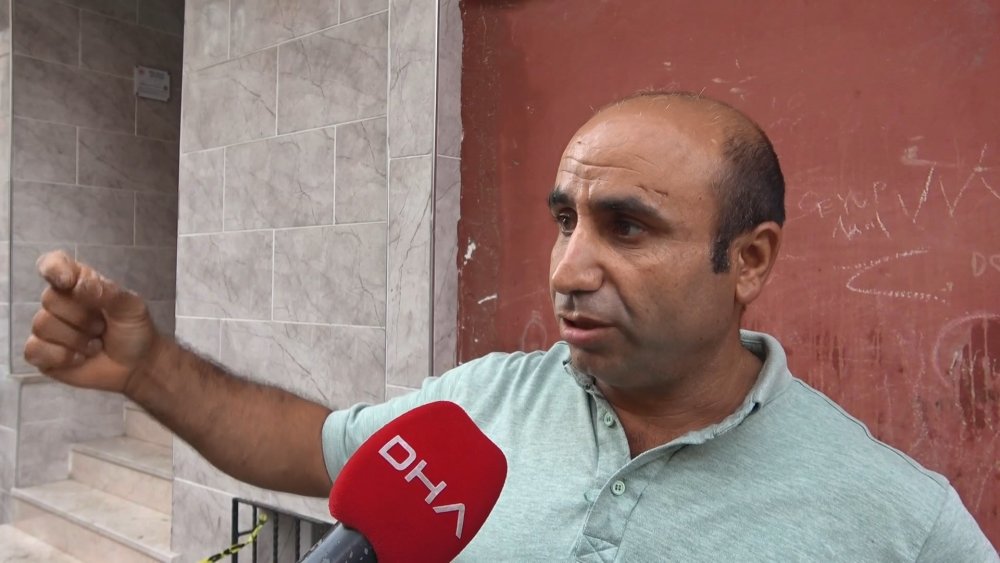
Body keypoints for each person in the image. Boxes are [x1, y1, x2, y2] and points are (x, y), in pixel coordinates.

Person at [25, 92, 997, 561]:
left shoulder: (898, 520)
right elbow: (305, 446)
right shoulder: (484, 399)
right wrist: (148, 367)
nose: (568, 268)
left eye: (626, 227)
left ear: (747, 259)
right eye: (566, 220)